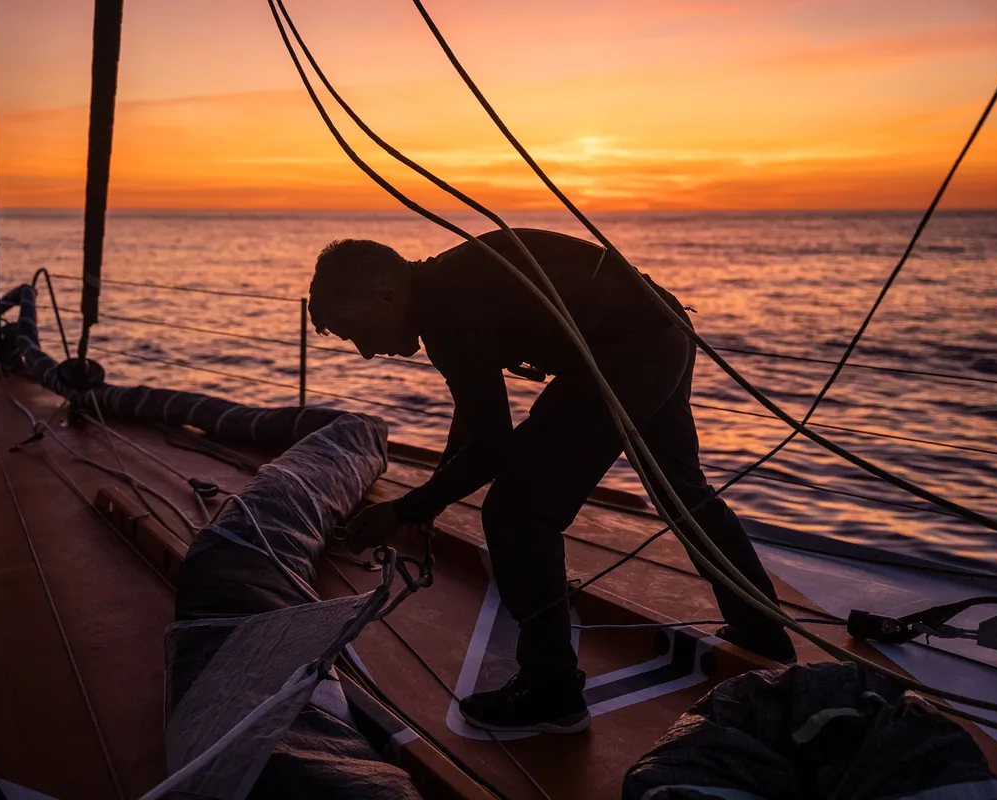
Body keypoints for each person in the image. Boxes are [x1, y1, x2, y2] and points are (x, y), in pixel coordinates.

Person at [308, 228, 796, 735]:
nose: (364, 352)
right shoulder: (448, 285)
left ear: (385, 296)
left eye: (356, 330)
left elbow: (492, 447)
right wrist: (430, 500)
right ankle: (764, 633)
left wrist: (405, 509)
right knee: (683, 494)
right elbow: (476, 417)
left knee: (517, 513)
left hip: (624, 350)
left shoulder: (447, 310)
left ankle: (551, 690)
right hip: (662, 329)